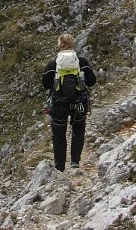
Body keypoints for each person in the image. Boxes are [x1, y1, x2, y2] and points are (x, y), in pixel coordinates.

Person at [42, 33, 96, 172]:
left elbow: (46, 84)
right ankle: (75, 161)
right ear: (73, 44)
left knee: (59, 133)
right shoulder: (81, 62)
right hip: (79, 102)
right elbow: (92, 81)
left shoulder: (53, 64)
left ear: (59, 45)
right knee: (78, 129)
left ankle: (59, 166)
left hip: (59, 104)